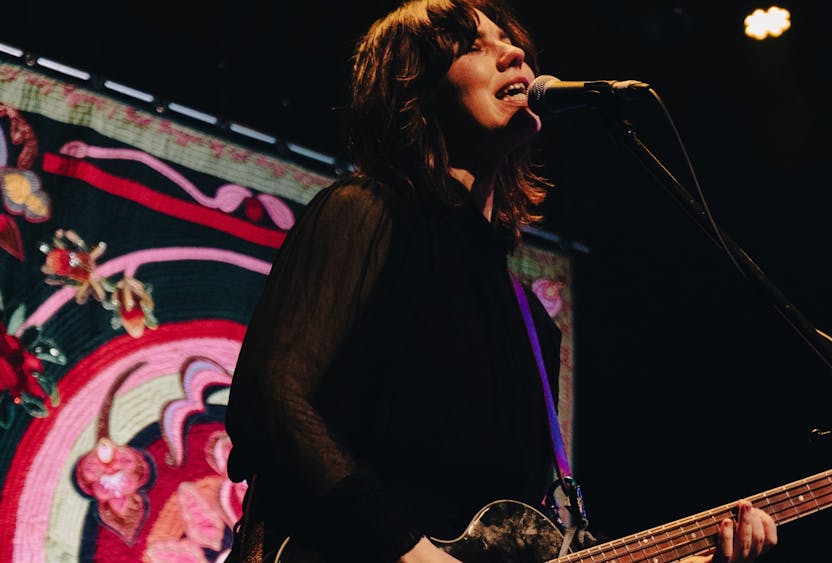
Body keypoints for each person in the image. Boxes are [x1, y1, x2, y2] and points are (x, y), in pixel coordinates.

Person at [223, 0, 778, 561]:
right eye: (473, 46)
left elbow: (520, 535)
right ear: (415, 90)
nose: (514, 52)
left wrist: (698, 558)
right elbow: (271, 403)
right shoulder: (365, 212)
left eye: (511, 43)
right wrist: (409, 550)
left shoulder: (530, 321)